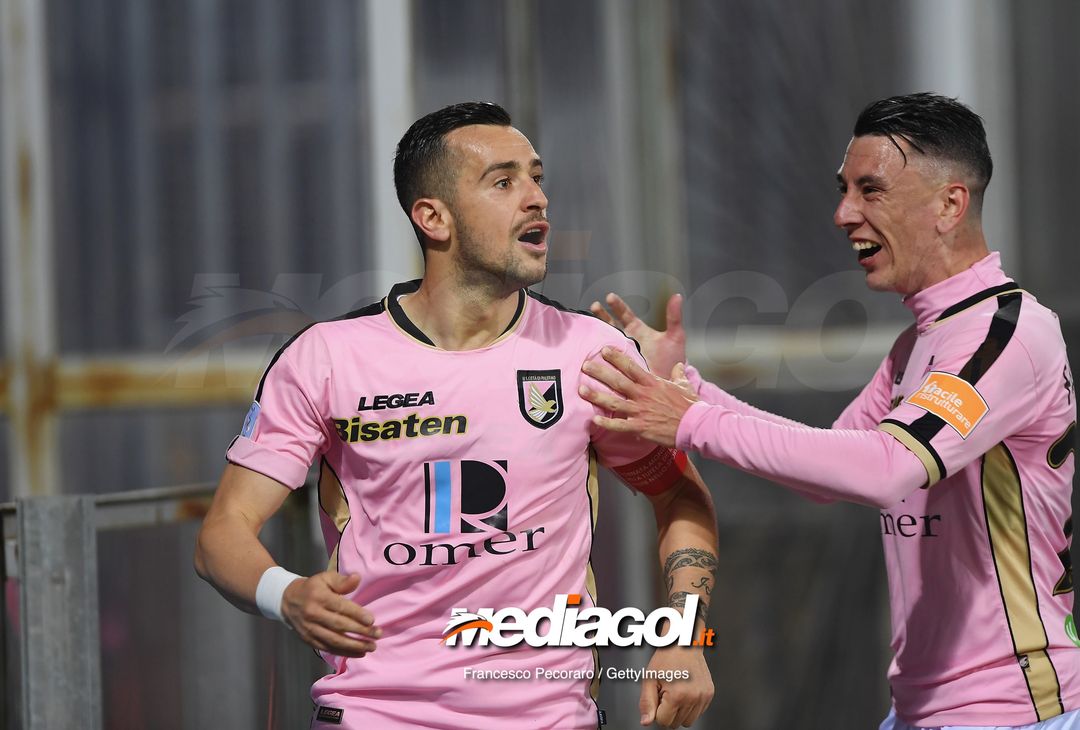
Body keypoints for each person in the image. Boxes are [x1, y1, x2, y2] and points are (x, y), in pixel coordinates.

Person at [194, 101, 718, 730]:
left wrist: (684, 636)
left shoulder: (588, 353)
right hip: (374, 716)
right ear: (432, 218)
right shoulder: (327, 358)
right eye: (504, 182)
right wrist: (288, 594)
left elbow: (680, 497)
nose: (537, 199)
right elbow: (222, 533)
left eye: (537, 177)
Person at [581, 93, 1079, 730]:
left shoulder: (1003, 334)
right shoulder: (919, 343)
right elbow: (830, 467)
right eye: (844, 190)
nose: (844, 214)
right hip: (927, 709)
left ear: (950, 204)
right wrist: (686, 386)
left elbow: (885, 469)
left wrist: (688, 420)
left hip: (1012, 712)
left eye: (870, 190)